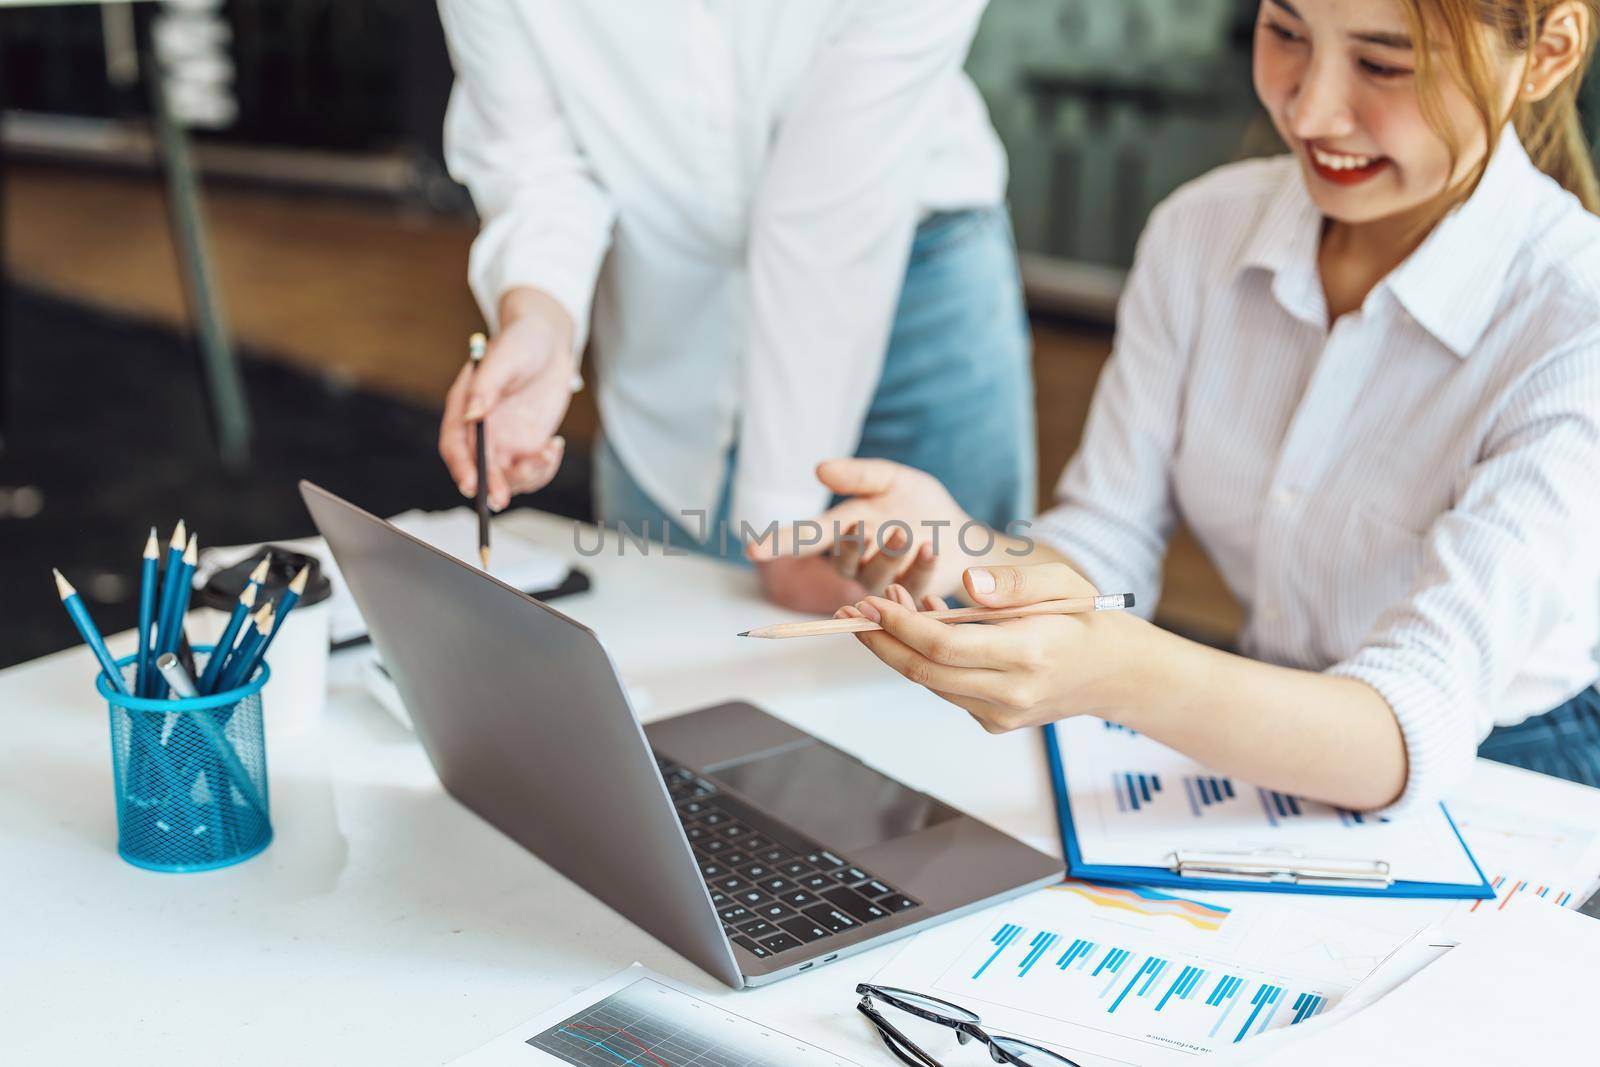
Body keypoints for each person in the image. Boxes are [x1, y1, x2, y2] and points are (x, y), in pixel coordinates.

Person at [752, 0, 1600, 814]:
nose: (1310, 110)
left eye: (1384, 63)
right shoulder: (1204, 230)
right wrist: (962, 558)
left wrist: (1118, 669)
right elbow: (1107, 535)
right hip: (1253, 725)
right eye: (1285, 31)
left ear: (1551, 52)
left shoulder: (1575, 321)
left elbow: (1413, 722)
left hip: (1507, 769)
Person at [433, 0, 1035, 615]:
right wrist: (540, 320)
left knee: (962, 640)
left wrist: (781, 523)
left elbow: (824, 215)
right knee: (663, 640)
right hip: (662, 292)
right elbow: (534, 161)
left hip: (908, 271)